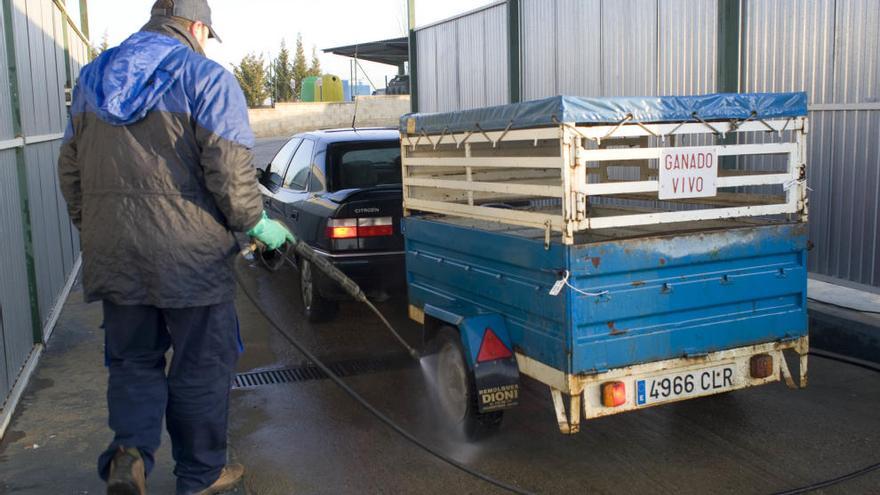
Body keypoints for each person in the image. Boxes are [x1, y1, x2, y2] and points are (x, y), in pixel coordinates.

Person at [58, 1, 293, 493]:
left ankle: (130, 454)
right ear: (197, 27)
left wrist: (97, 229)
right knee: (200, 369)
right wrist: (256, 224)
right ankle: (200, 474)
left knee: (132, 362)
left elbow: (71, 170)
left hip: (116, 256)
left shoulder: (91, 78)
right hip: (193, 258)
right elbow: (231, 175)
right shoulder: (206, 78)